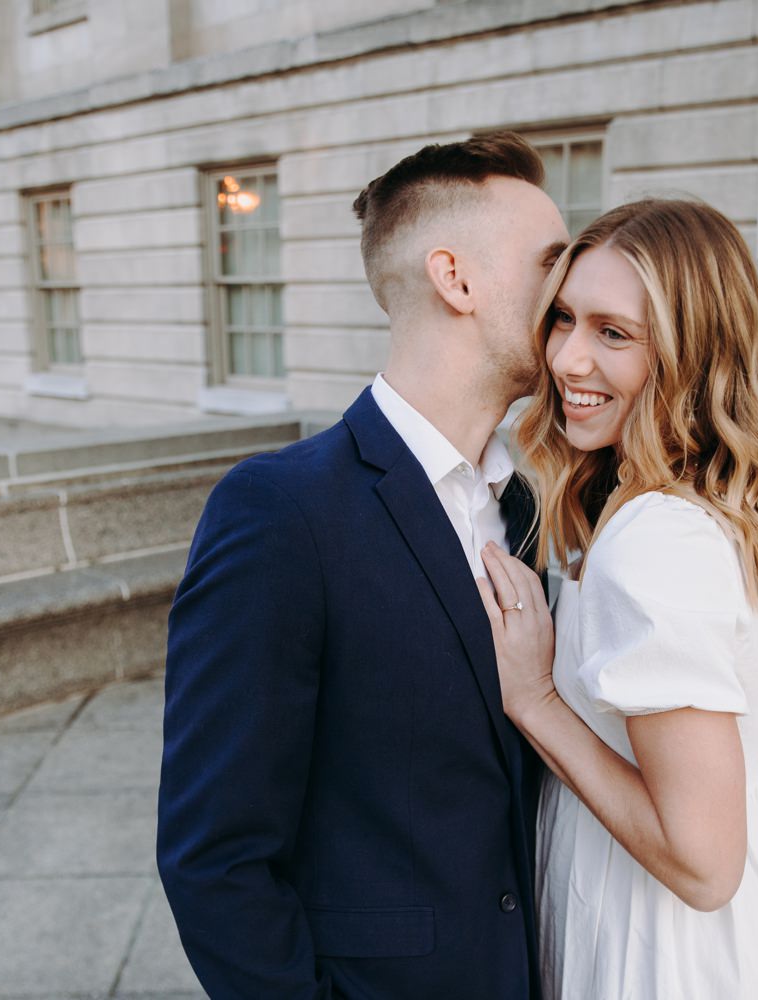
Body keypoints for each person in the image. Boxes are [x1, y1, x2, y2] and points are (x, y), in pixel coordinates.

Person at [157, 132, 570, 999]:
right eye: (550, 265)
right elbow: (214, 858)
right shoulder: (280, 510)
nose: (567, 294)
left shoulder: (523, 509)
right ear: (455, 279)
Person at [476, 198, 758, 999]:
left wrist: (534, 697)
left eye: (614, 333)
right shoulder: (685, 501)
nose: (567, 360)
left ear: (693, 355)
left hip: (655, 942)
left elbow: (703, 866)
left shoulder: (656, 542)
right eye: (563, 320)